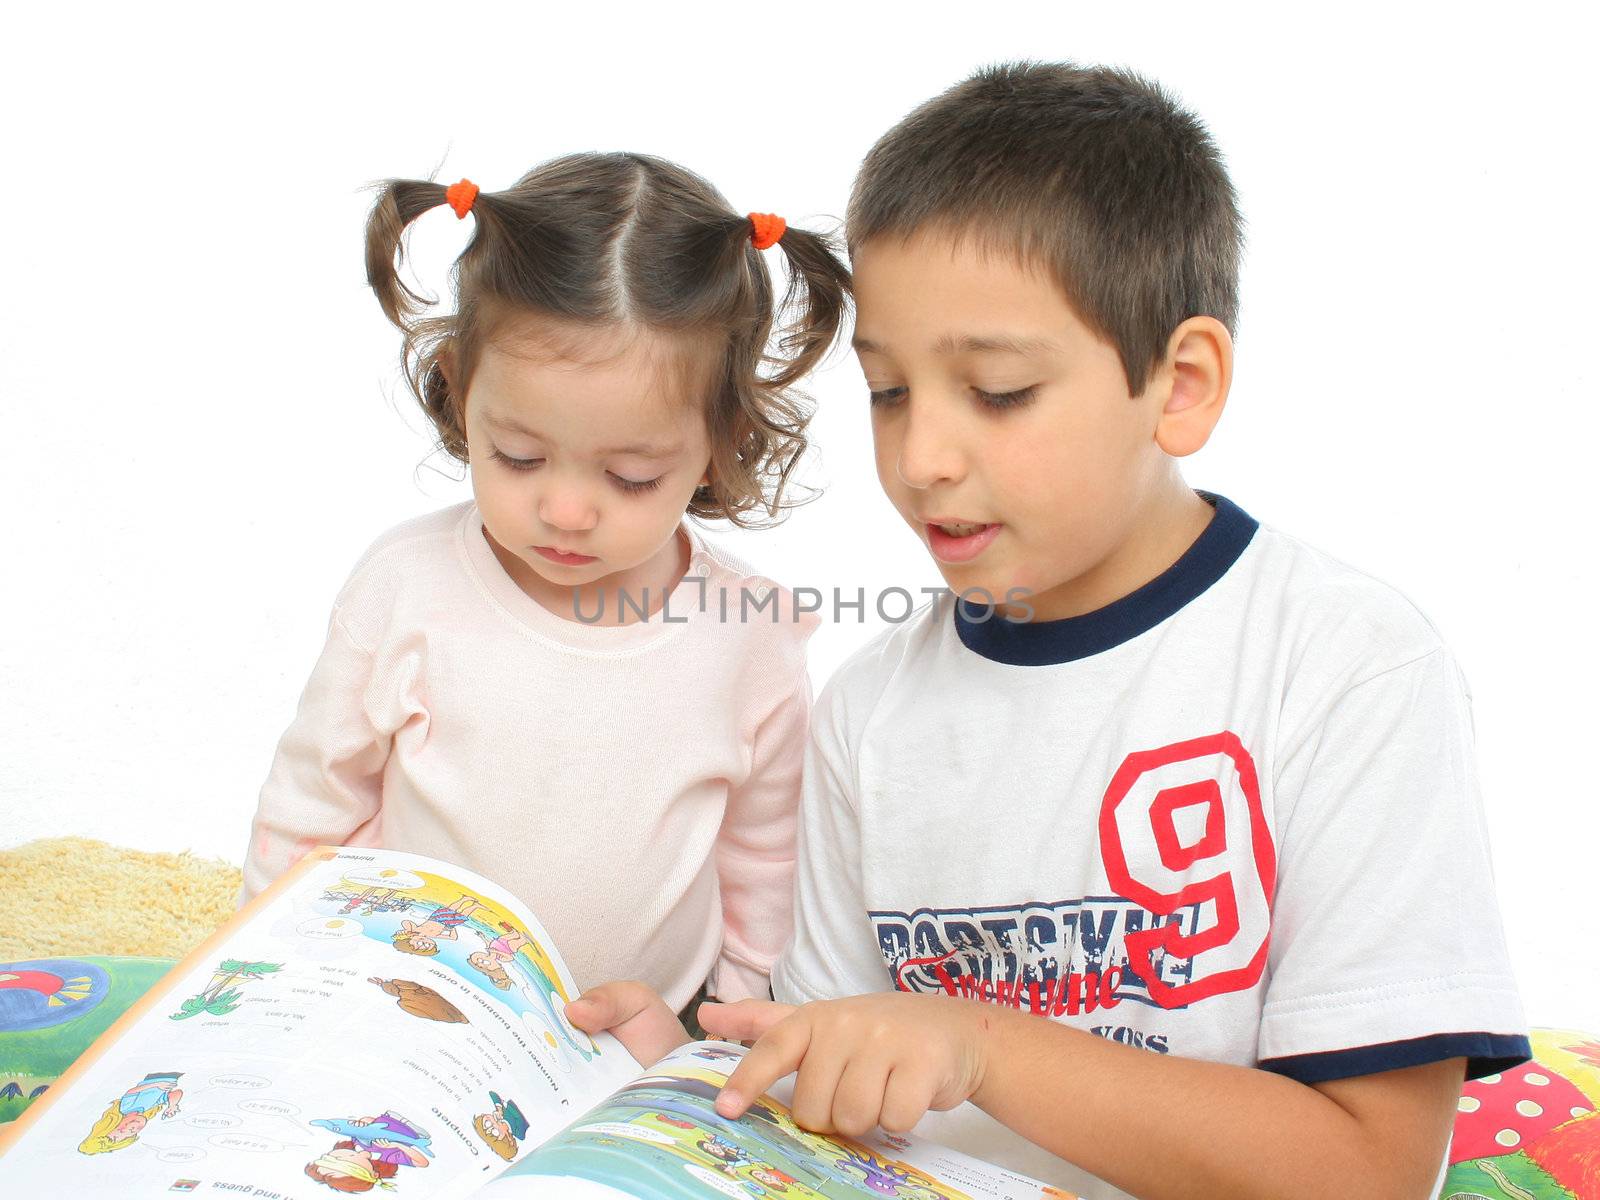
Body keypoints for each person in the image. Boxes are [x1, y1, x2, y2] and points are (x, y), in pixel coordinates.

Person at [567, 63, 1532, 1198]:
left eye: (999, 391)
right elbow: (840, 1102)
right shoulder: (870, 712)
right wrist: (691, 1084)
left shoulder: (1343, 669)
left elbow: (1371, 1172)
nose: (921, 456)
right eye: (887, 393)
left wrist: (980, 1043)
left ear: (1179, 385)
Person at [238, 151, 850, 1016]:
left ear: (723, 437)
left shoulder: (747, 631)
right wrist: (259, 972)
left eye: (631, 475)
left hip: (644, 1038)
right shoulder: (407, 586)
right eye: (519, 457)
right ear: (458, 389)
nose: (565, 511)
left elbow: (764, 857)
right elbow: (313, 799)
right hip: (395, 1005)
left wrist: (731, 1024)